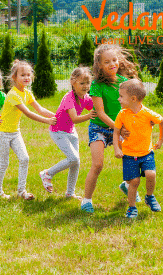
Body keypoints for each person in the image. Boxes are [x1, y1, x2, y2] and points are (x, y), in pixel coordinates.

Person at [80, 44, 139, 213]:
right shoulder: (97, 85)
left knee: (131, 161)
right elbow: (100, 113)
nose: (112, 64)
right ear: (99, 65)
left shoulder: (125, 83)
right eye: (107, 62)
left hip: (118, 128)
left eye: (114, 60)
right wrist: (118, 128)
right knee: (97, 165)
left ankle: (127, 185)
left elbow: (132, 108)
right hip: (99, 128)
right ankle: (86, 200)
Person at [0, 60, 57, 200]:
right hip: (2, 133)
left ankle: (21, 192)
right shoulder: (13, 94)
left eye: (28, 74)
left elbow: (40, 109)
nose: (26, 77)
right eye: (23, 75)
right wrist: (47, 121)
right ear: (14, 77)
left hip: (15, 132)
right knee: (4, 163)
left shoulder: (27, 93)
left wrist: (57, 115)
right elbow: (28, 113)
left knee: (25, 158)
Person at [39, 67, 96, 199]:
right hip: (58, 131)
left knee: (76, 162)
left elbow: (94, 106)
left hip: (71, 131)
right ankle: (47, 173)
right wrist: (90, 115)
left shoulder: (85, 97)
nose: (85, 86)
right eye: (82, 83)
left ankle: (70, 193)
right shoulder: (68, 98)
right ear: (73, 82)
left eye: (88, 83)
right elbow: (75, 119)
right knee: (73, 158)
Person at [113, 79, 163, 218]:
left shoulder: (147, 113)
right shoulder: (122, 114)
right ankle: (131, 207)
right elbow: (116, 132)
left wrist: (160, 140)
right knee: (134, 182)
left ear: (133, 99)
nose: (119, 99)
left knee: (151, 174)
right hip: (129, 154)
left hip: (146, 153)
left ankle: (149, 196)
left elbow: (162, 121)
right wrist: (117, 149)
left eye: (121, 96)